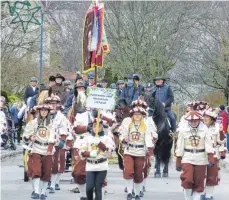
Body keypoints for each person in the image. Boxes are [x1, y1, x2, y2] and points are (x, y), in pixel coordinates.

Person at [175, 110, 214, 200]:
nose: (194, 122)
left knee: (199, 182)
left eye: (196, 121)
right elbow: (180, 146)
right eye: (191, 121)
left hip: (201, 158)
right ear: (188, 121)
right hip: (187, 157)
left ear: (199, 120)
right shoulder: (183, 130)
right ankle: (188, 198)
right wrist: (178, 160)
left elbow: (208, 144)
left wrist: (210, 157)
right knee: (187, 179)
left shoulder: (205, 130)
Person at [119, 104, 154, 200]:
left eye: (139, 114)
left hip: (140, 152)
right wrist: (124, 139)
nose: (137, 116)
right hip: (129, 151)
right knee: (128, 171)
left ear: (142, 115)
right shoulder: (128, 124)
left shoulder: (145, 126)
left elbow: (148, 140)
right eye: (135, 114)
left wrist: (150, 152)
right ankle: (130, 193)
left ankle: (137, 194)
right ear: (132, 115)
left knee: (139, 174)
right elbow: (121, 135)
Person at [23, 104, 55, 199]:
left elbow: (53, 136)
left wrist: (50, 147)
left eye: (46, 110)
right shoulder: (33, 123)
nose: (44, 112)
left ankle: (43, 192)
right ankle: (36, 191)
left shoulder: (52, 123)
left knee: (46, 172)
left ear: (48, 112)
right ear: (39, 111)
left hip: (47, 150)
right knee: (36, 171)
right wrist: (30, 137)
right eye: (42, 110)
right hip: (35, 148)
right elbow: (25, 135)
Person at [79, 118, 115, 200]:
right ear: (92, 127)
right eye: (95, 126)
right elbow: (81, 151)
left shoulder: (107, 138)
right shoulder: (87, 138)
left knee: (98, 188)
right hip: (90, 165)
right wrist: (89, 154)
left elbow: (109, 152)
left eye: (99, 126)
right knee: (89, 188)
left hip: (101, 165)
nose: (97, 128)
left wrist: (100, 143)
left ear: (102, 127)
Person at [44, 95, 69, 193]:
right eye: (50, 104)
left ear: (57, 105)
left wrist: (62, 141)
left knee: (55, 164)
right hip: (44, 143)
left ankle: (53, 184)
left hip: (56, 143)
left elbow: (64, 130)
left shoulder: (61, 117)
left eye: (54, 104)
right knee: (45, 164)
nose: (52, 106)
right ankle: (46, 182)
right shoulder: (43, 115)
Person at [202, 110, 227, 200]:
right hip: (201, 155)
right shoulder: (200, 127)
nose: (205, 118)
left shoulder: (217, 127)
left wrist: (220, 132)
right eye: (204, 117)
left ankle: (209, 195)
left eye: (207, 117)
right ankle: (202, 192)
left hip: (214, 154)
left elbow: (222, 141)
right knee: (201, 175)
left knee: (212, 175)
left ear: (212, 119)